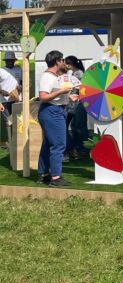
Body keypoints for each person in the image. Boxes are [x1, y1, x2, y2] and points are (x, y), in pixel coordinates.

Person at [38, 50, 78, 187]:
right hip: (52, 112)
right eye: (62, 60)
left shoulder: (54, 76)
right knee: (59, 144)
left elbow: (55, 96)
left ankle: (44, 174)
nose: (64, 63)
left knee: (49, 143)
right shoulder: (48, 77)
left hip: (54, 110)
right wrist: (62, 91)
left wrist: (68, 97)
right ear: (57, 62)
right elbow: (43, 97)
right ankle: (56, 178)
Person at [64, 56, 88, 160]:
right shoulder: (75, 73)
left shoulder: (79, 73)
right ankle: (77, 148)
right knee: (74, 126)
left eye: (66, 63)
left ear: (70, 64)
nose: (64, 65)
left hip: (76, 103)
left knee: (74, 126)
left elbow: (81, 88)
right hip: (73, 104)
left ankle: (74, 147)